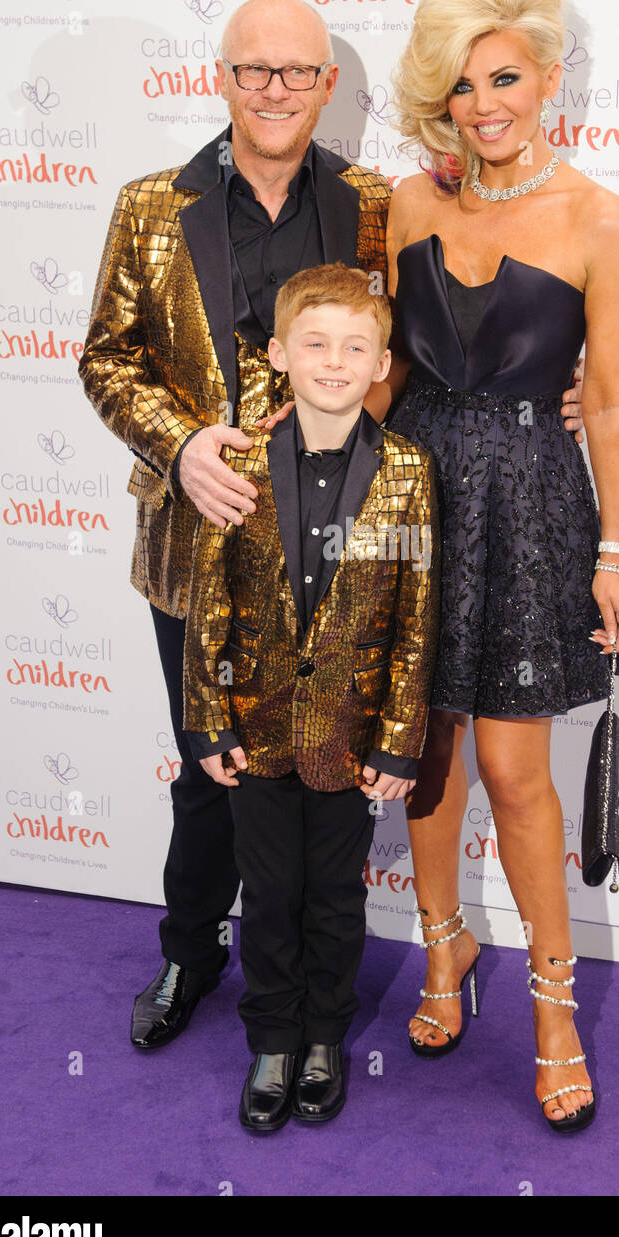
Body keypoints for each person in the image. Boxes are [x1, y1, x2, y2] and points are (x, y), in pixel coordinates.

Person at [78, 0, 584, 1054]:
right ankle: (188, 950)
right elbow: (105, 358)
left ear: (325, 87)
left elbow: (434, 333)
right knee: (209, 770)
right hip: (199, 540)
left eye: (297, 73)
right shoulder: (147, 207)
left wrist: (553, 381)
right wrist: (180, 445)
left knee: (324, 790)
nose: (274, 91)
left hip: (347, 551)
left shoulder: (370, 202)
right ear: (221, 77)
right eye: (253, 70)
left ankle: (312, 1011)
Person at [379, 0, 619, 1131]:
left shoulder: (599, 218)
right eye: (461, 87)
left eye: (504, 80)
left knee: (513, 771)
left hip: (534, 505)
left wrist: (616, 551)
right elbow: (381, 367)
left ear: (547, 77)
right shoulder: (411, 202)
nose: (484, 105)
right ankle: (444, 948)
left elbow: (615, 398)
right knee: (425, 750)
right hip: (417, 493)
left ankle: (551, 1002)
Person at [181, 263, 440, 1132]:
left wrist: (399, 741)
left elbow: (416, 619)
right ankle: (274, 1042)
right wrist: (209, 718)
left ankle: (326, 1037)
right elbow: (209, 601)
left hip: (350, 736)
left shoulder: (408, 470)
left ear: (380, 363)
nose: (335, 361)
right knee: (268, 891)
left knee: (335, 896)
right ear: (282, 355)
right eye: (317, 343)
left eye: (355, 346)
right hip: (255, 734)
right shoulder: (241, 460)